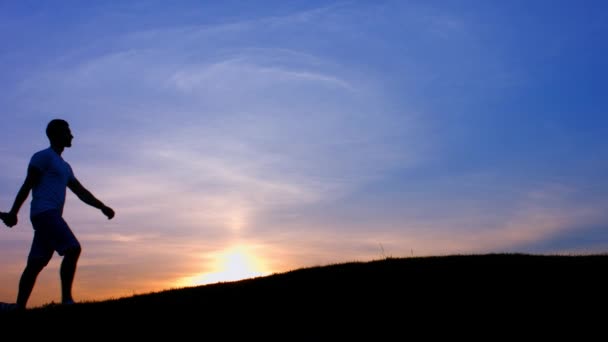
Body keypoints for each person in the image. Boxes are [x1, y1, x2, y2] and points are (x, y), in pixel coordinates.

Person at [0, 119, 115, 312]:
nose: (71, 135)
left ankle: (17, 307)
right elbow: (27, 185)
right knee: (73, 248)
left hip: (47, 216)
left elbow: (80, 191)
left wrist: (101, 206)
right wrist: (13, 212)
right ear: (55, 134)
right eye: (67, 132)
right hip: (44, 213)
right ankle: (67, 300)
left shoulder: (65, 166)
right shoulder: (42, 157)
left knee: (36, 264)